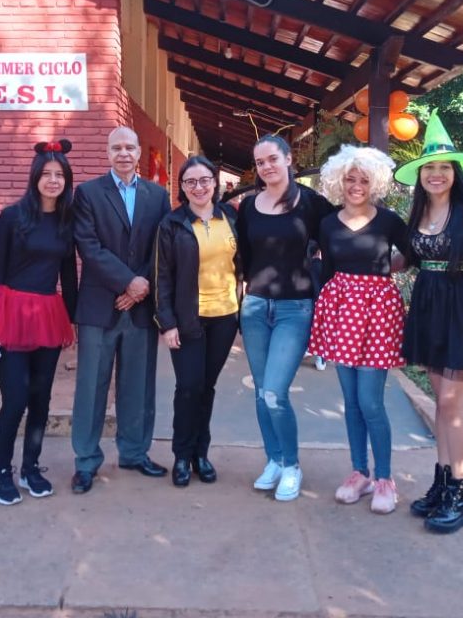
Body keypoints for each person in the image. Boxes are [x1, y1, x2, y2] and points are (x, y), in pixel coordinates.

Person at [393, 110, 463, 534]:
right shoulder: (419, 213)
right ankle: (441, 482)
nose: (436, 174)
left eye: (443, 168)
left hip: (462, 311)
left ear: (455, 172)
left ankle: (460, 493)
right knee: (440, 404)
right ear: (420, 175)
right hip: (428, 309)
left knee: (454, 406)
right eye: (429, 168)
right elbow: (408, 259)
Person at [307, 145, 409, 514]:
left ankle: (385, 478)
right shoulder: (329, 223)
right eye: (350, 178)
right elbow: (330, 267)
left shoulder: (388, 220)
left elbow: (410, 252)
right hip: (342, 313)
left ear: (375, 182)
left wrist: (385, 271)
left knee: (370, 401)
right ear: (339, 181)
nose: (356, 185)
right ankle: (359, 473)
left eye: (363, 179)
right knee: (350, 402)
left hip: (378, 313)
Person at [70, 127, 171, 494]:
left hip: (140, 308)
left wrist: (139, 285)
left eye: (130, 147)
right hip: (101, 306)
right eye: (117, 148)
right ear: (107, 152)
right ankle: (85, 461)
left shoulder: (158, 195)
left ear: (139, 152)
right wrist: (127, 282)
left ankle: (133, 452)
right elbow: (88, 246)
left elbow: (161, 246)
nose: (124, 153)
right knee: (91, 388)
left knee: (138, 386)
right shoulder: (88, 193)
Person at [236, 134, 335, 502]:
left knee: (276, 392)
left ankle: (292, 465)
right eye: (260, 162)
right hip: (256, 308)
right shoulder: (248, 206)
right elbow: (243, 257)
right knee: (262, 394)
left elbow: (338, 239)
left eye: (272, 159)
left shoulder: (310, 203)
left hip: (296, 309)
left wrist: (322, 285)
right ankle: (274, 459)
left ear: (289, 159)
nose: (266, 167)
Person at [0, 141, 77, 504]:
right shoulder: (12, 216)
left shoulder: (68, 220)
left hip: (49, 317)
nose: (53, 181)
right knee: (16, 398)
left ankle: (31, 467)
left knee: (41, 398)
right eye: (47, 174)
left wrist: (74, 319)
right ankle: (1, 472)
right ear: (35, 177)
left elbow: (69, 275)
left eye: (60, 175)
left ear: (67, 181)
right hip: (10, 314)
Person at [154, 156, 240, 487]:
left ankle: (200, 455)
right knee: (188, 388)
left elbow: (241, 263)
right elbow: (161, 276)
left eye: (205, 180)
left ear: (215, 183)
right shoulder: (172, 224)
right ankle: (180, 456)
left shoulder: (229, 218)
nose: (199, 187)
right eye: (191, 182)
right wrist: (167, 323)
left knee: (207, 387)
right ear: (182, 187)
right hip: (188, 319)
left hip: (224, 317)